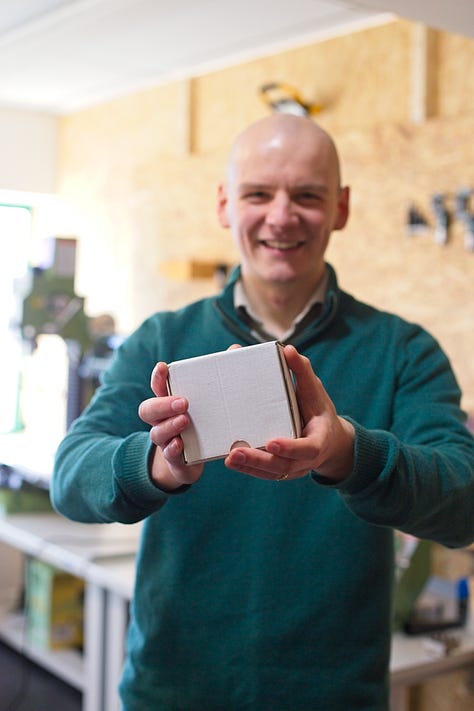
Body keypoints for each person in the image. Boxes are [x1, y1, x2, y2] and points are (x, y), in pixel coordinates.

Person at [51, 114, 474, 711]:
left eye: (307, 195)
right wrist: (157, 464)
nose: (281, 216)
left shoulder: (403, 351)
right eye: (258, 194)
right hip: (172, 695)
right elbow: (70, 476)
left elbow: (466, 501)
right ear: (225, 204)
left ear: (341, 208)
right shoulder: (162, 340)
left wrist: (351, 453)